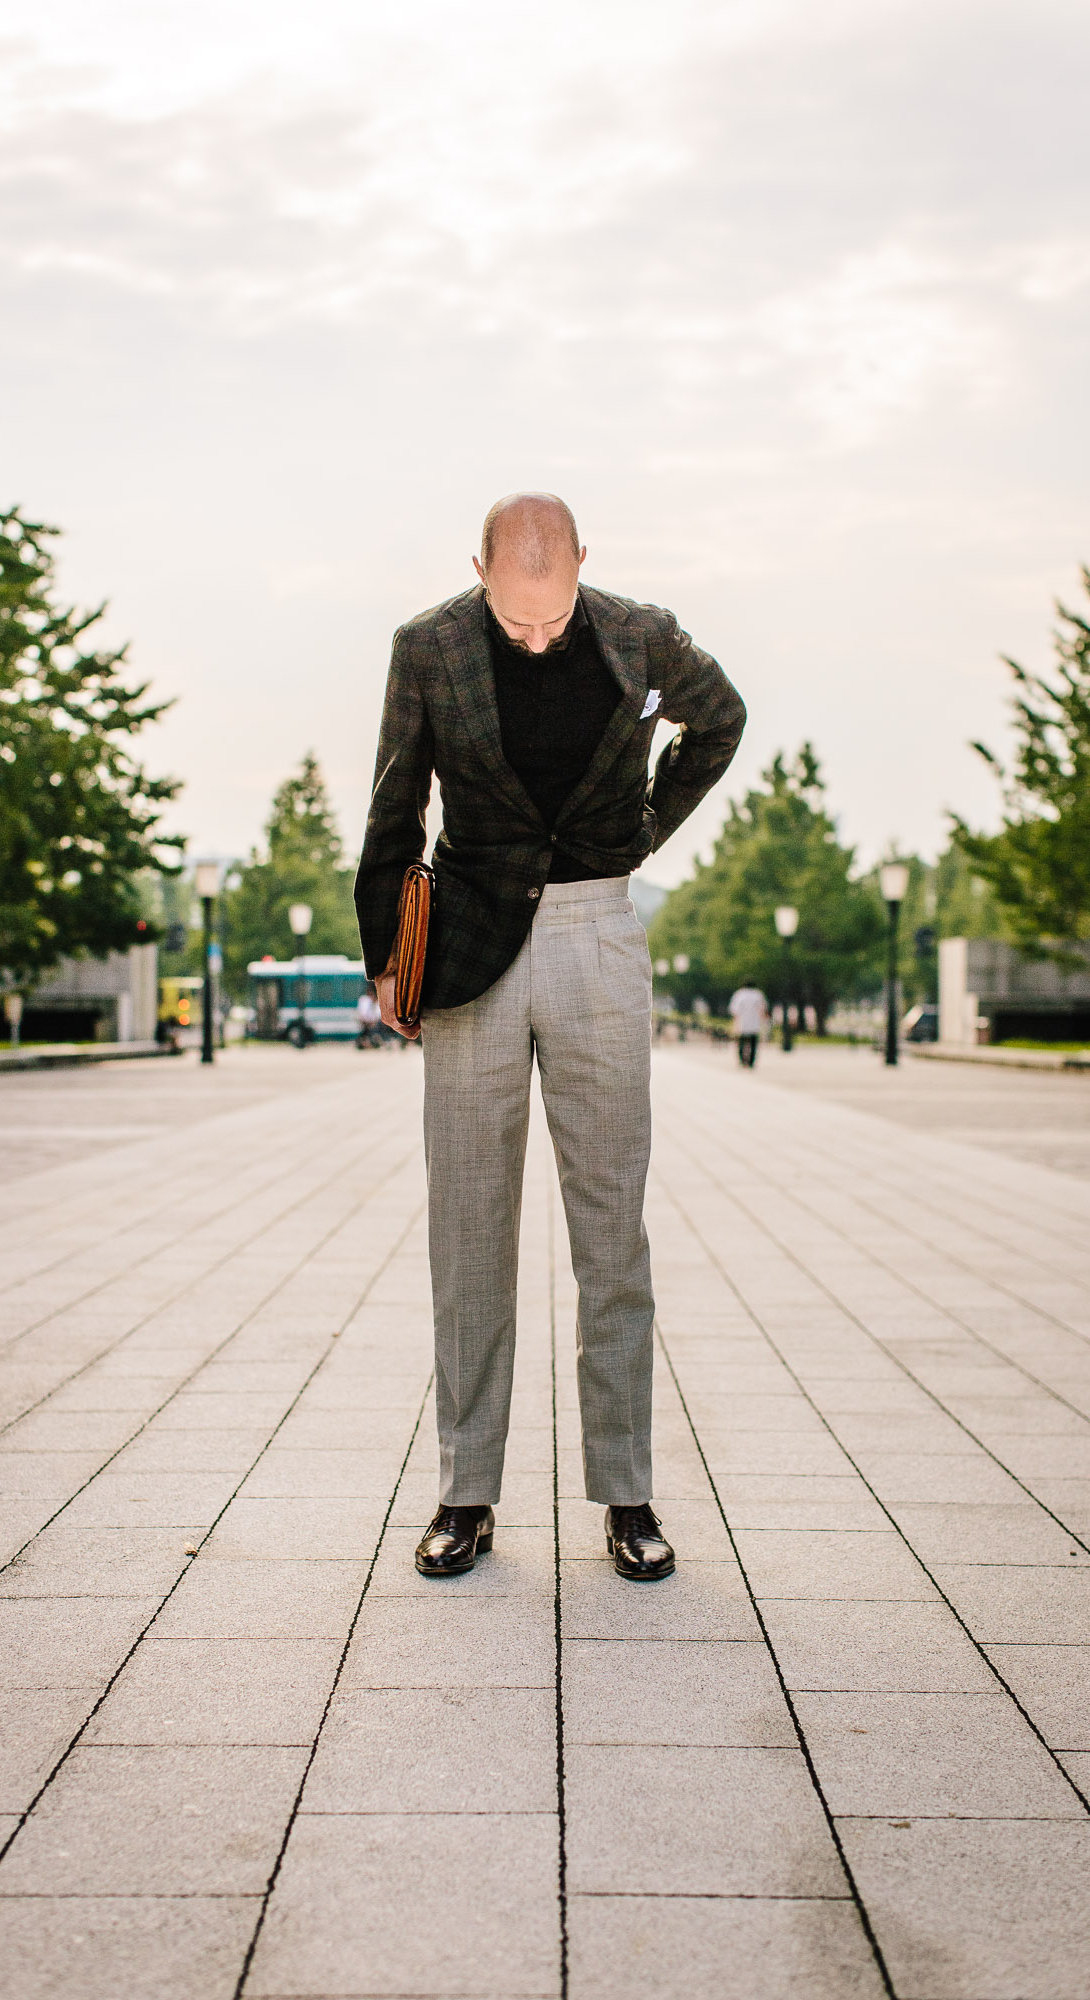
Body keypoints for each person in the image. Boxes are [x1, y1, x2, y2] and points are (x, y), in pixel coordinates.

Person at [355, 493, 745, 1581]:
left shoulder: (642, 637)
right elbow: (394, 803)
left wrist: (639, 831)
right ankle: (464, 1491)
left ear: (582, 564)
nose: (533, 637)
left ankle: (627, 1490)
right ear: (477, 568)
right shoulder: (427, 647)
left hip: (595, 936)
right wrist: (386, 945)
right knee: (468, 1227)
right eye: (512, 620)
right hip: (470, 939)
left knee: (609, 1225)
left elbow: (721, 719)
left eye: (551, 616)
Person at [728, 982, 768, 1066]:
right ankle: (751, 1061)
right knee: (753, 1043)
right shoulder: (758, 994)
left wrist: (735, 1024)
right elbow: (763, 1009)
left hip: (743, 1023)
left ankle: (742, 1059)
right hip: (755, 1023)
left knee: (742, 1042)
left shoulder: (739, 994)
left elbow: (735, 1010)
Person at [355, 984, 382, 1050]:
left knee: (376, 1031)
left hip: (376, 1025)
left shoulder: (378, 1001)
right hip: (366, 1024)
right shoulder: (364, 1000)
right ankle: (367, 1042)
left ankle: (373, 1041)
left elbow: (378, 1016)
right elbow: (361, 1013)